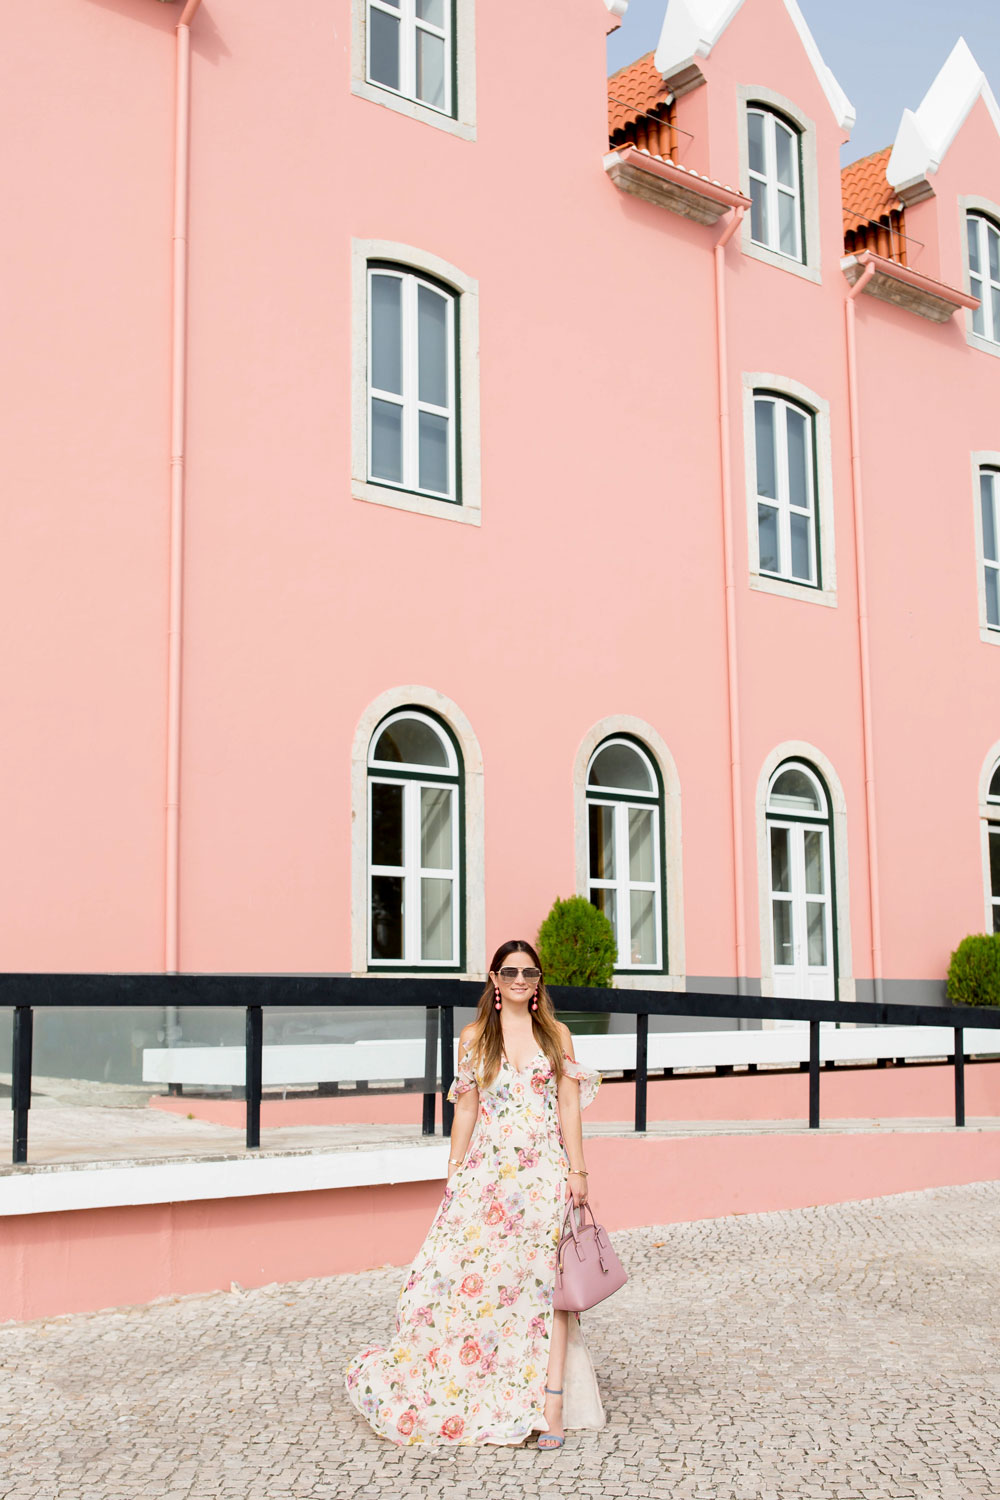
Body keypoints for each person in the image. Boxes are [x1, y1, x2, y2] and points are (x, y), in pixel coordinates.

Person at [345, 939, 604, 1448]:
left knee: (546, 1291)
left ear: (538, 982)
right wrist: (453, 1170)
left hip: (543, 1177)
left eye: (529, 973)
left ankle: (550, 1409)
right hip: (487, 1179)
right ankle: (482, 1383)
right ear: (493, 979)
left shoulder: (556, 1035)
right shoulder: (475, 1038)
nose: (520, 981)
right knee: (474, 1281)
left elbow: (569, 1107)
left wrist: (579, 1171)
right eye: (510, 972)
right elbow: (466, 1110)